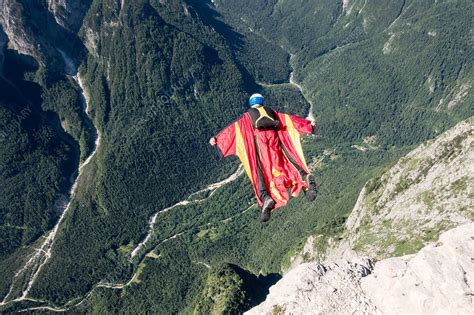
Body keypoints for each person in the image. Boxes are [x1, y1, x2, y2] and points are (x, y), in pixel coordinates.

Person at [209, 93, 317, 222]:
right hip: (275, 143)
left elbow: (232, 131)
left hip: (260, 147)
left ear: (251, 103)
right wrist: (308, 124)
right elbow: (290, 121)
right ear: (261, 102)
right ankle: (304, 176)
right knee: (286, 164)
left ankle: (266, 198)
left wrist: (217, 140)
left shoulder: (247, 118)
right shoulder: (273, 113)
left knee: (261, 173)